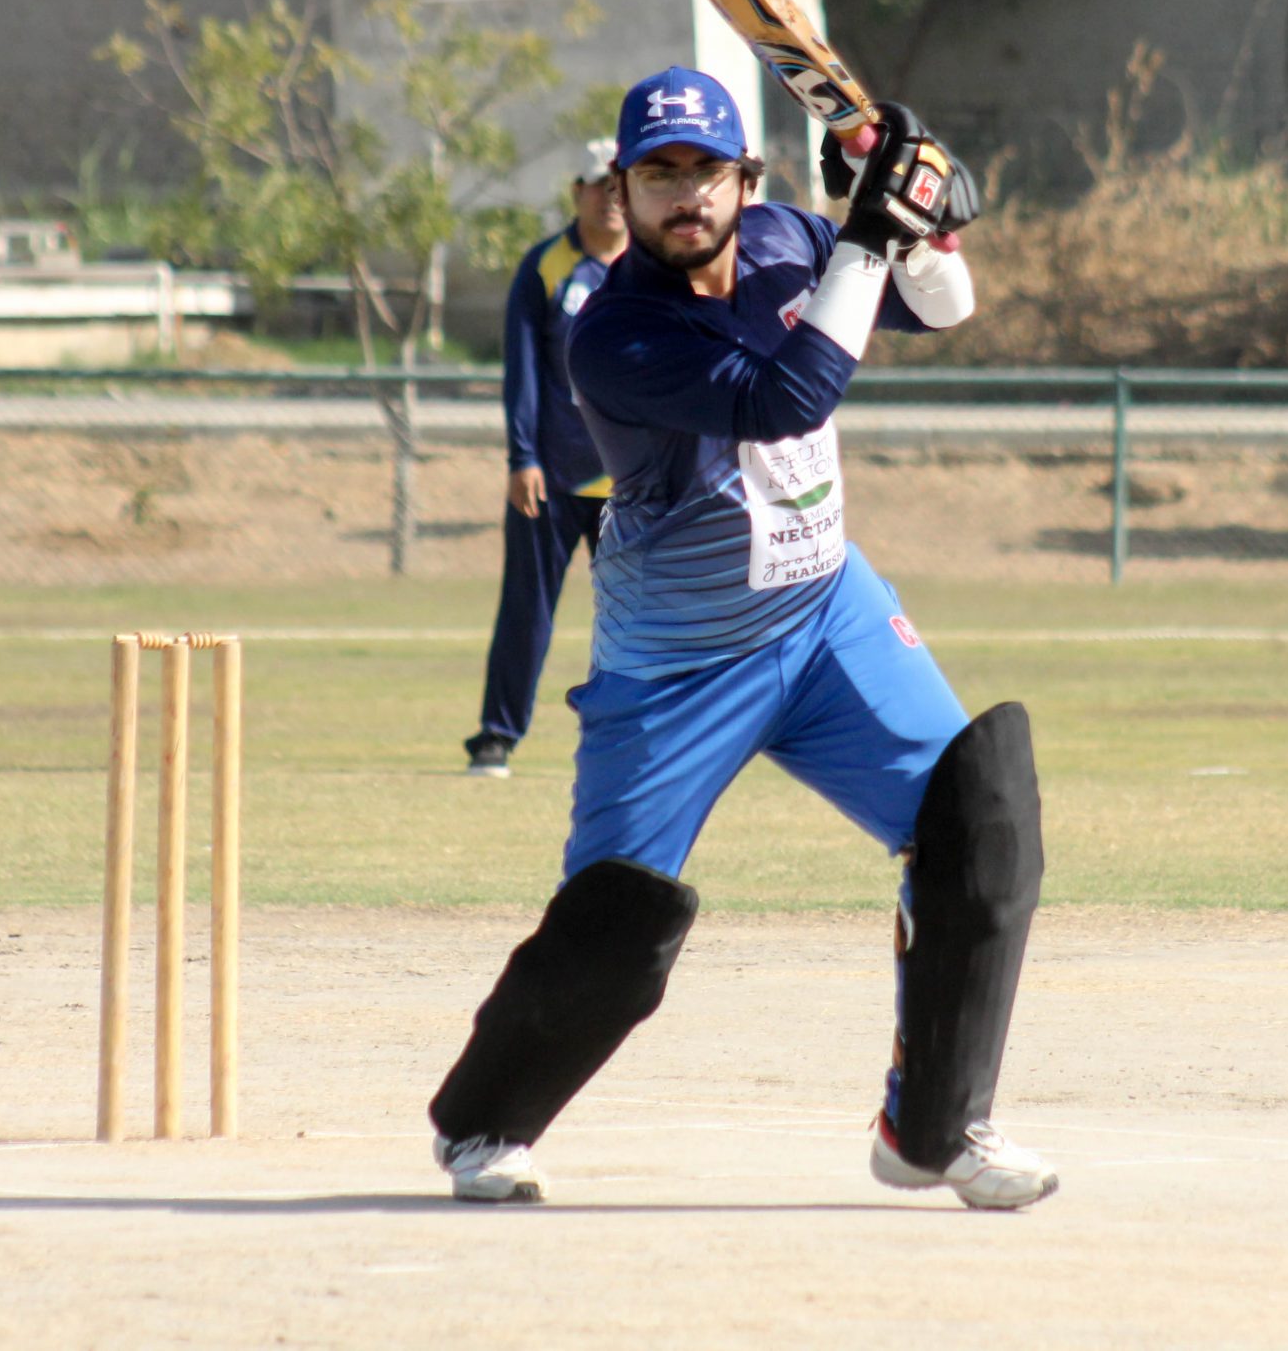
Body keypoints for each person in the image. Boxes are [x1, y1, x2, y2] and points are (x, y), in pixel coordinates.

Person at [427, 66, 1056, 1211]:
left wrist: (919, 225)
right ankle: (482, 1123)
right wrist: (869, 230)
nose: (685, 197)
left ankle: (932, 1128)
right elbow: (786, 399)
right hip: (678, 665)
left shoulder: (789, 242)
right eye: (657, 175)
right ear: (621, 190)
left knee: (980, 822)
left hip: (826, 617)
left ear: (746, 180)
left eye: (705, 172)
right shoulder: (614, 334)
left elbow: (943, 311)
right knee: (615, 921)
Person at [462, 141, 629, 778]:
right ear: (576, 193)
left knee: (639, 616)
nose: (610, 197)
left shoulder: (651, 266)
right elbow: (523, 372)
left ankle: (634, 735)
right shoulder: (546, 267)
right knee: (526, 609)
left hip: (633, 481)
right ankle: (497, 735)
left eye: (620, 184)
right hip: (551, 477)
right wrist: (522, 456)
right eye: (598, 185)